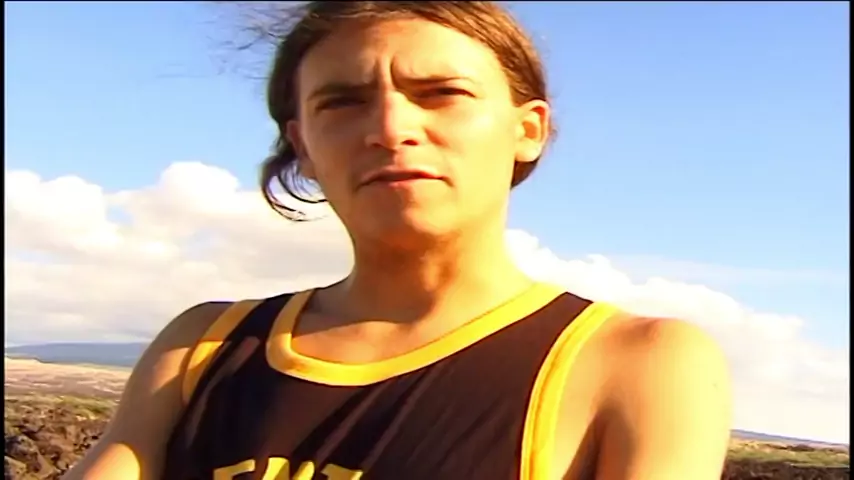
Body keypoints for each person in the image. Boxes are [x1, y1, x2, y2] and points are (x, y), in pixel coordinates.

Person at [64, 2, 732, 479]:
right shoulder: (203, 348)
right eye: (342, 102)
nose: (389, 128)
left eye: (441, 93)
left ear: (526, 129)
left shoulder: (636, 363)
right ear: (303, 147)